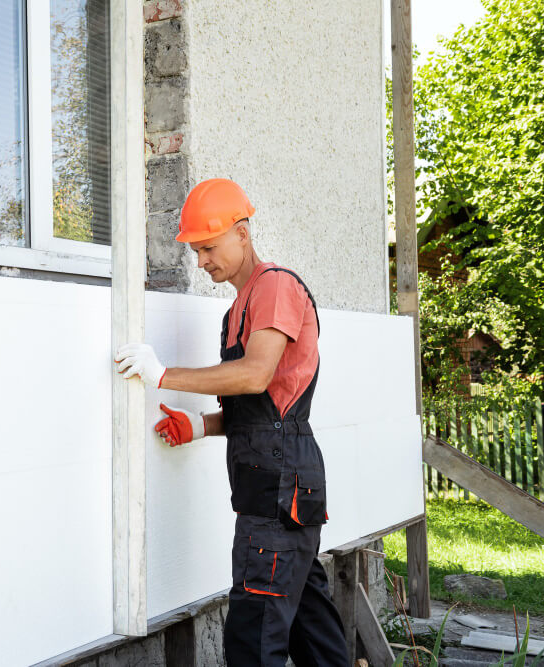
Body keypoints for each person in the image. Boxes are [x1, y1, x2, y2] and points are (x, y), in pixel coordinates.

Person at [113, 178, 349, 666]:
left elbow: (256, 375)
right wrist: (200, 426)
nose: (201, 261)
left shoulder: (276, 287)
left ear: (242, 232)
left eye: (208, 247)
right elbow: (260, 412)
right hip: (274, 485)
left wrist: (163, 375)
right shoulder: (237, 308)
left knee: (253, 639)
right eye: (195, 251)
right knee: (314, 635)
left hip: (279, 491)